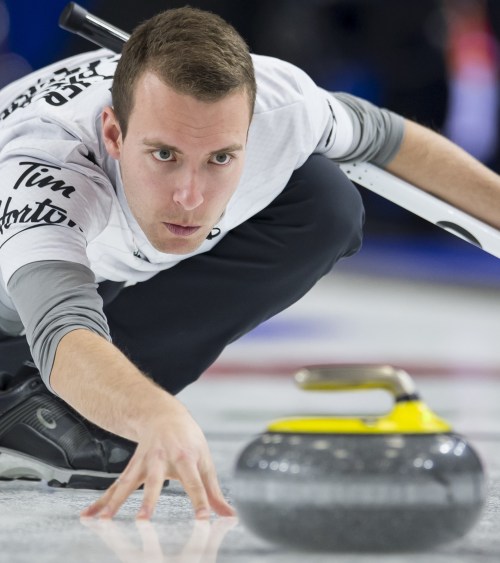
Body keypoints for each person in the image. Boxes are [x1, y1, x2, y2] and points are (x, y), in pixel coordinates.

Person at [0, 7, 498, 521]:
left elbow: (391, 141)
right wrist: (154, 414)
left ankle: (55, 414)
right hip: (17, 310)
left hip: (100, 274)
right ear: (113, 135)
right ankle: (38, 406)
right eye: (164, 155)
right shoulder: (47, 169)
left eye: (219, 158)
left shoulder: (281, 105)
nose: (189, 197)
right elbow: (61, 331)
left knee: (324, 200)